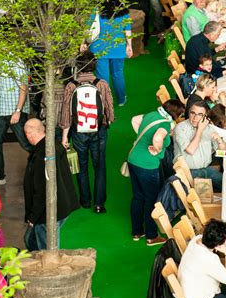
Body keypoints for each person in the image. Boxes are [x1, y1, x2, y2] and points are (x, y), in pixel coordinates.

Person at [60, 51, 115, 213]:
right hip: (99, 131)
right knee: (100, 167)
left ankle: (84, 200)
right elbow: (110, 112)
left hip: (78, 132)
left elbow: (66, 114)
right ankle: (99, 204)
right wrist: (107, 121)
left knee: (81, 167)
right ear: (94, 65)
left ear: (78, 66)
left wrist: (65, 137)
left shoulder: (71, 85)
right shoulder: (102, 84)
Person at [24, 119, 79, 251]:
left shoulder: (41, 156)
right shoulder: (55, 146)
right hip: (63, 204)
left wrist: (33, 217)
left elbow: (42, 191)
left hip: (47, 213)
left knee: (47, 249)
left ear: (29, 134)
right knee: (30, 239)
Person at [127, 105, 175, 246]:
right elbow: (158, 137)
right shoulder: (166, 124)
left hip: (133, 160)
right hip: (148, 165)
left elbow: (134, 120)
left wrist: (142, 138)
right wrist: (157, 148)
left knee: (137, 196)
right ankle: (151, 236)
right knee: (151, 199)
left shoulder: (152, 114)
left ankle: (136, 231)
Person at [89, 0, 132, 107]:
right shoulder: (124, 12)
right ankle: (121, 99)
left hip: (99, 49)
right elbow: (128, 30)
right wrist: (129, 46)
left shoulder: (96, 11)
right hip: (118, 48)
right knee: (118, 74)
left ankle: (104, 102)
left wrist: (83, 43)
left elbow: (88, 30)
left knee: (102, 77)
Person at [173, 100, 226, 192]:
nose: (195, 117)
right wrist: (200, 130)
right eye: (192, 113)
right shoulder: (180, 128)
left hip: (207, 169)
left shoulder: (209, 128)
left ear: (205, 117)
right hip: (189, 173)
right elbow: (190, 150)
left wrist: (219, 139)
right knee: (204, 193)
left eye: (200, 114)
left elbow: (223, 151)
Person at [0, 58, 32, 185]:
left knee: (26, 144)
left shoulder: (16, 61)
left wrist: (18, 110)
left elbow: (23, 87)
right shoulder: (1, 61)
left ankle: (43, 168)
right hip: (0, 110)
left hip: (15, 111)